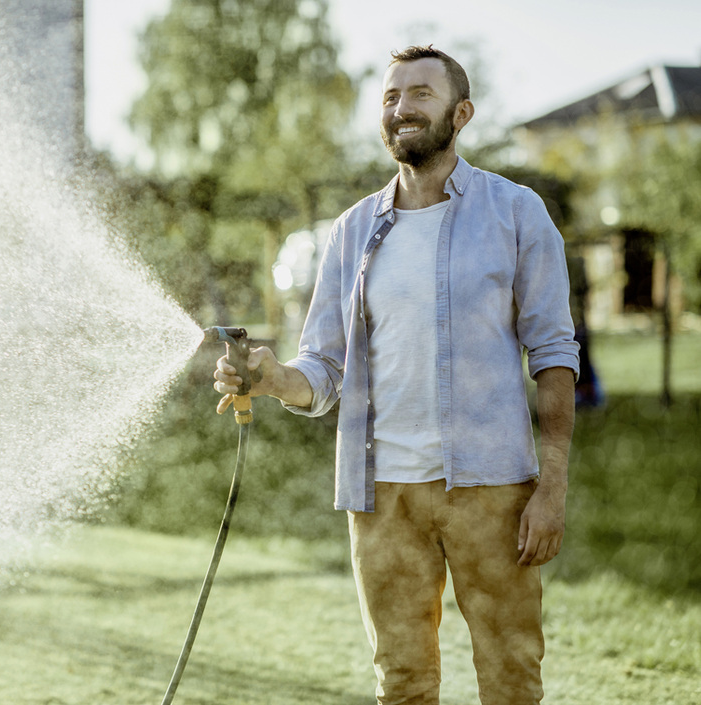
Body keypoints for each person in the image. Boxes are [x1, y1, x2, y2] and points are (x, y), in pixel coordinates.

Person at [213, 45, 579, 705]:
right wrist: (270, 378)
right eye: (390, 97)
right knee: (402, 682)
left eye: (420, 94)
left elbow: (553, 354)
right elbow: (321, 369)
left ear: (460, 113)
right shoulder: (352, 231)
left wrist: (550, 487)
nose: (402, 108)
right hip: (381, 495)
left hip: (492, 489)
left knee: (512, 677)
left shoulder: (517, 214)